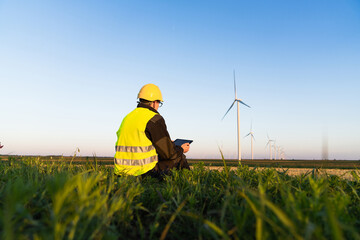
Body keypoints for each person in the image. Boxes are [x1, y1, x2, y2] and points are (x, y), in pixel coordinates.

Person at [114, 83, 190, 179]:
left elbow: (137, 142)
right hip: (142, 173)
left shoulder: (128, 117)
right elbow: (169, 154)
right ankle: (189, 184)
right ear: (154, 102)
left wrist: (168, 143)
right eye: (159, 103)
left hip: (121, 173)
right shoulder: (154, 119)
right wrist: (181, 148)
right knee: (179, 157)